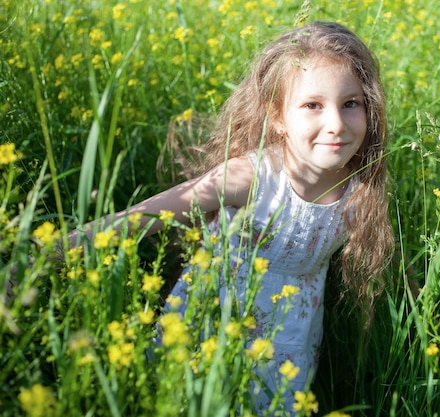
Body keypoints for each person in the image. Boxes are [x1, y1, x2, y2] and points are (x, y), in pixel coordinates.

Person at [69, 21, 394, 413]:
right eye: (312, 105)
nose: (336, 124)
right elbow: (138, 218)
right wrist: (40, 256)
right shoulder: (252, 177)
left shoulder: (361, 190)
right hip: (209, 331)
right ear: (277, 116)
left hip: (291, 343)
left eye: (351, 103)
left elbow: (392, 259)